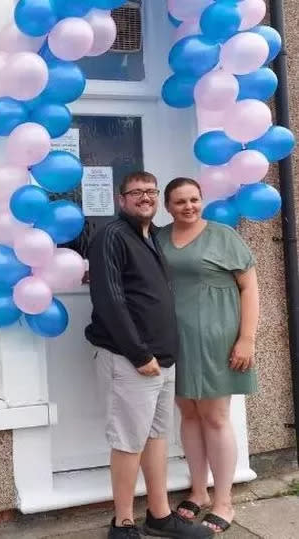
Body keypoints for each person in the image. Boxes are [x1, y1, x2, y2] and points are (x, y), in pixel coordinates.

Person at [86, 171, 211, 539]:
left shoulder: (152, 236)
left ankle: (159, 514)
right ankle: (122, 523)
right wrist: (139, 354)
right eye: (136, 192)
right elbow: (109, 300)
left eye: (151, 192)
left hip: (161, 360)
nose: (145, 197)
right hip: (131, 360)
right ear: (120, 198)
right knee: (128, 440)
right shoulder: (111, 235)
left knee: (156, 438)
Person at [158, 177, 259, 534]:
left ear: (202, 201)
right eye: (180, 202)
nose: (188, 206)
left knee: (215, 416)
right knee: (188, 412)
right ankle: (198, 491)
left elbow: (249, 286)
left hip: (219, 339)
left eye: (194, 200)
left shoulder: (223, 235)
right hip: (177, 339)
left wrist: (246, 338)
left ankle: (224, 501)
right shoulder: (159, 237)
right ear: (167, 206)